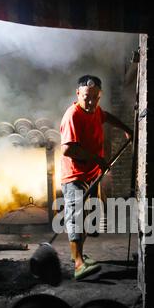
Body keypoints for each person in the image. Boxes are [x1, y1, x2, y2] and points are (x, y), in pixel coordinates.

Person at [60, 74, 133, 281]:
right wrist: (97, 159)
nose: (91, 102)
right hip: (74, 176)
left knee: (84, 220)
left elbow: (106, 116)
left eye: (95, 97)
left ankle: (81, 255)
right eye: (86, 97)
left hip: (90, 175)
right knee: (75, 218)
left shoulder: (95, 110)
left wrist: (126, 129)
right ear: (78, 94)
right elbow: (67, 150)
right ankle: (78, 265)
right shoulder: (72, 115)